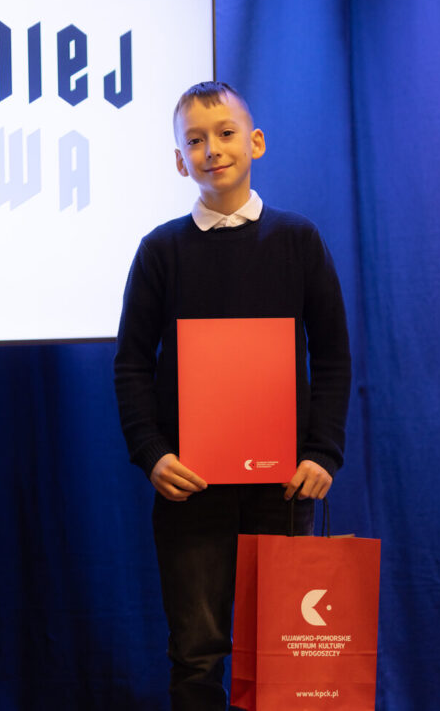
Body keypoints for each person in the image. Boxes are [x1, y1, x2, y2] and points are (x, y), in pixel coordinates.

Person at [112, 81, 352, 710]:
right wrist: (152, 454)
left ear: (256, 142)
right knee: (196, 653)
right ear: (179, 160)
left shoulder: (298, 241)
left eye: (224, 134)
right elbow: (131, 364)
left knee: (287, 653)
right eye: (194, 140)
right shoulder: (161, 251)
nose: (211, 149)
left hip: (284, 487)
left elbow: (332, 356)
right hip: (191, 488)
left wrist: (322, 453)